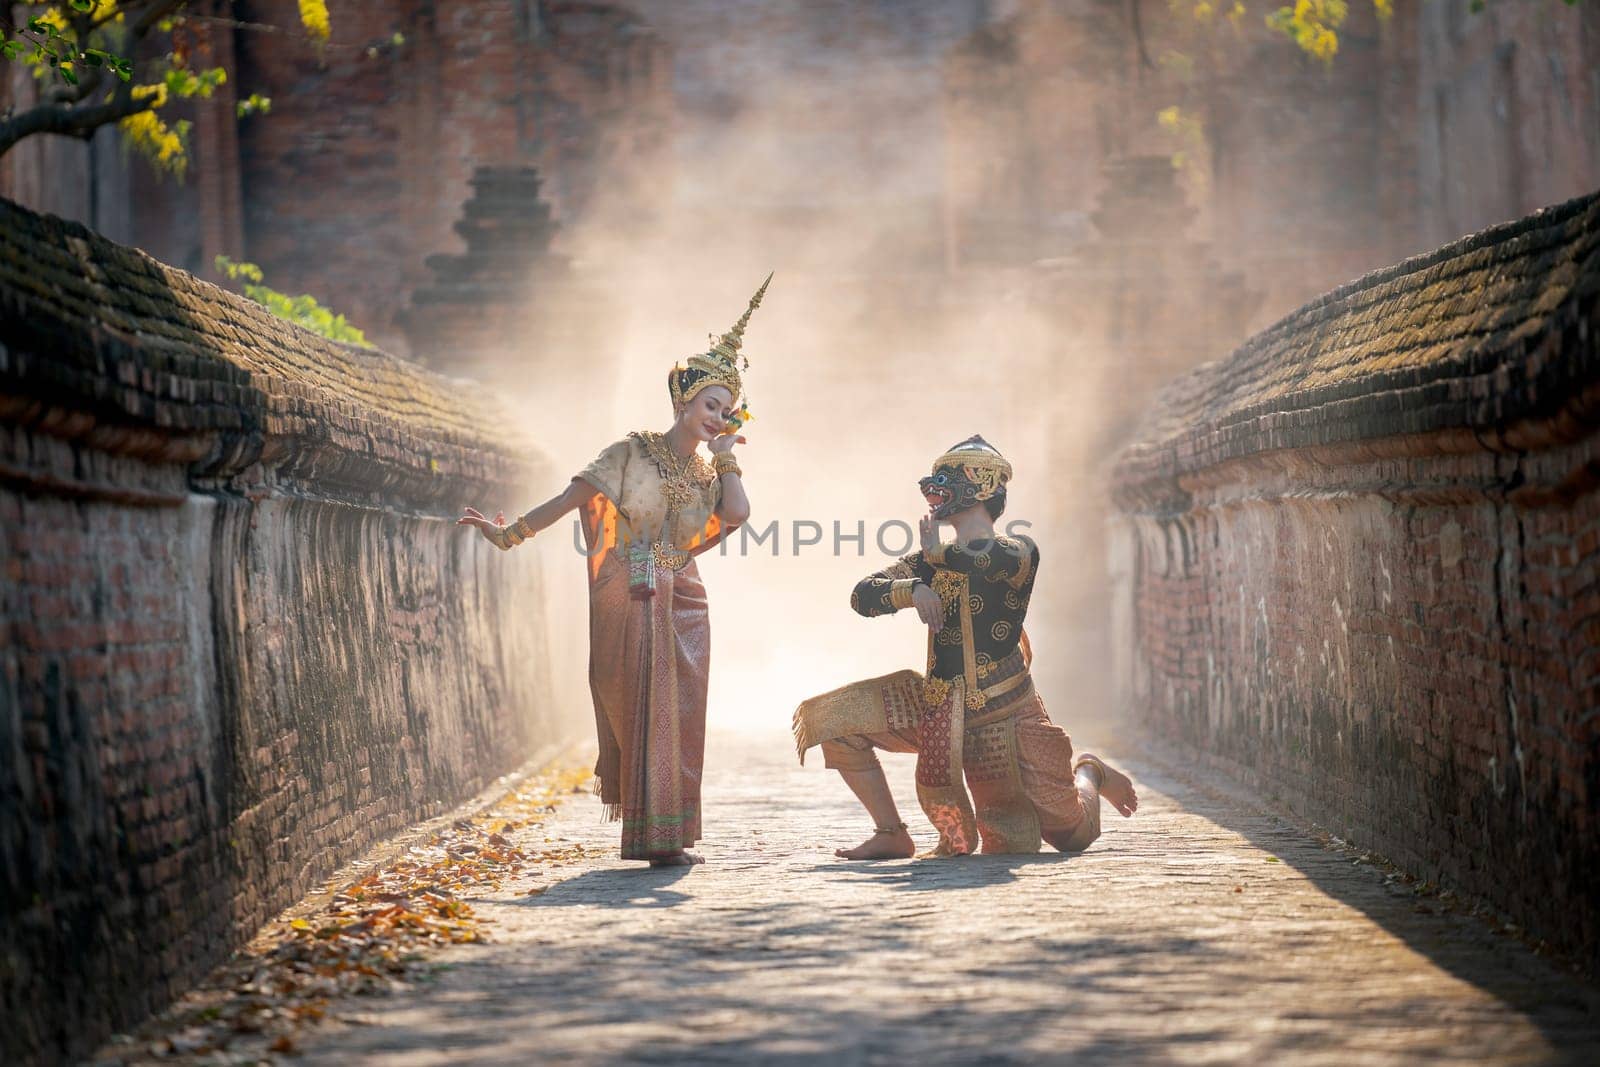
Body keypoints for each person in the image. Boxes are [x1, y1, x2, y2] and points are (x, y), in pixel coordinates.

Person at [460, 276, 770, 866]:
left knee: (682, 716)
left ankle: (671, 837)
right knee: (642, 708)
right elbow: (571, 499)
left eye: (727, 412)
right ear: (683, 399)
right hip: (629, 590)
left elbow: (738, 514)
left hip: (684, 598)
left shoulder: (709, 476)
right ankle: (654, 838)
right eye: (710, 405)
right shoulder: (628, 453)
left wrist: (728, 459)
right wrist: (509, 534)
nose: (717, 417)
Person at [793, 434, 1138, 859]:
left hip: (1006, 717)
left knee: (1071, 837)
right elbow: (862, 595)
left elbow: (982, 562)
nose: (934, 489)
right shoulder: (931, 559)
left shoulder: (1018, 552)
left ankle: (1090, 772)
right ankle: (891, 833)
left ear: (983, 487)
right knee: (834, 722)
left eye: (948, 479)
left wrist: (933, 562)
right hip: (939, 706)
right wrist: (911, 588)